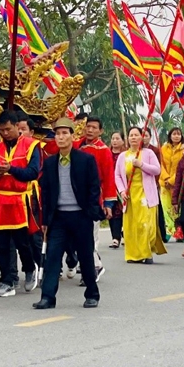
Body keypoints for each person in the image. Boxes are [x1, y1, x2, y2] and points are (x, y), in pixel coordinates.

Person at [34, 118, 102, 310]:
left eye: (65, 133)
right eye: (57, 133)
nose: (61, 137)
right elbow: (46, 193)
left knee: (85, 256)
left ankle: (92, 294)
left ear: (73, 136)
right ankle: (47, 297)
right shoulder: (50, 163)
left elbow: (93, 188)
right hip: (58, 218)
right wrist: (45, 219)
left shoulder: (86, 160)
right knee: (53, 257)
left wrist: (90, 212)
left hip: (81, 216)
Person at [0, 111, 40, 297]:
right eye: (1, 130)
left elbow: (32, 173)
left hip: (19, 199)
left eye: (8, 129)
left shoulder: (32, 146)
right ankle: (8, 280)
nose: (5, 133)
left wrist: (11, 169)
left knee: (22, 242)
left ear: (18, 126)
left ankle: (30, 268)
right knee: (1, 244)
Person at [114, 126, 165, 264]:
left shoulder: (148, 153)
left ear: (142, 137)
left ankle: (146, 252)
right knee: (131, 226)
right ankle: (133, 254)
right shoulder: (122, 156)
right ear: (127, 138)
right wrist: (122, 191)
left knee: (145, 224)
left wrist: (141, 164)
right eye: (131, 135)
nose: (134, 137)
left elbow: (157, 170)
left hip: (145, 194)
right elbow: (117, 175)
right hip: (130, 195)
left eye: (137, 135)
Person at [76, 116, 115, 281]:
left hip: (93, 197)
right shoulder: (76, 145)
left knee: (91, 234)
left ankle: (94, 266)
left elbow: (108, 178)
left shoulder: (104, 150)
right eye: (88, 127)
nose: (90, 130)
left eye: (94, 127)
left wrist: (108, 203)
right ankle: (87, 264)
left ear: (100, 131)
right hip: (74, 196)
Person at [159, 127, 184, 242]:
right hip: (164, 183)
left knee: (178, 207)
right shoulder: (163, 148)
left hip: (178, 183)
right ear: (170, 135)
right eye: (174, 134)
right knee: (166, 207)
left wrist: (172, 180)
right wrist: (166, 179)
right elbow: (161, 164)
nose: (176, 136)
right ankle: (169, 230)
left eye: (178, 134)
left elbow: (182, 167)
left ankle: (180, 231)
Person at [107, 131, 126, 248]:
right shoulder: (107, 153)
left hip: (123, 187)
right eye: (113, 138)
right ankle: (115, 237)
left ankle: (124, 234)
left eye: (117, 138)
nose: (114, 141)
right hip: (110, 186)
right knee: (111, 212)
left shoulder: (126, 155)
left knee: (123, 211)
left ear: (123, 141)